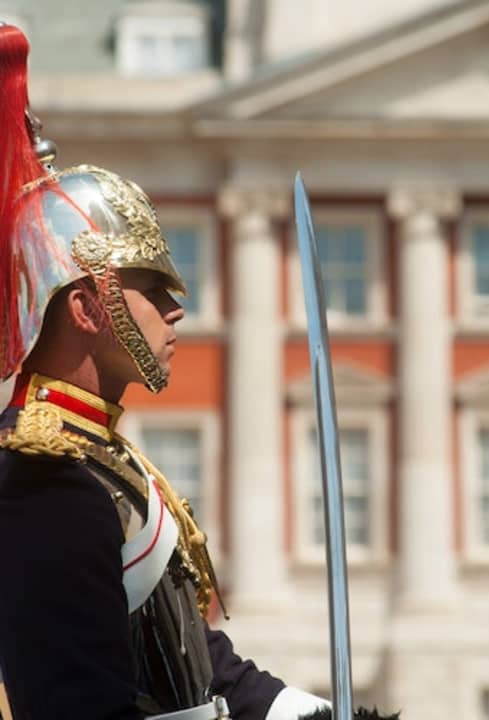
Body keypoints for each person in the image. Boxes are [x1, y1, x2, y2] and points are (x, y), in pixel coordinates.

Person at [0, 25, 392, 720]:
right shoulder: (44, 476)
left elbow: (201, 662)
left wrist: (310, 714)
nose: (176, 312)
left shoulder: (102, 458)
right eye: (152, 289)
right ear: (89, 307)